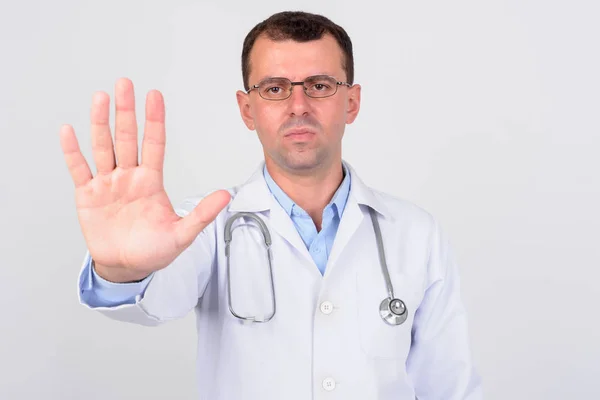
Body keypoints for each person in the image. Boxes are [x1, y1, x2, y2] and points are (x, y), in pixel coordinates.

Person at [60, 10, 482, 400]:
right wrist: (122, 270)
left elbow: (448, 385)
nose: (298, 107)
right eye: (275, 88)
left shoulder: (415, 232)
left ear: (351, 102)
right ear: (248, 109)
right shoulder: (202, 226)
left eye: (320, 86)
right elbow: (155, 304)